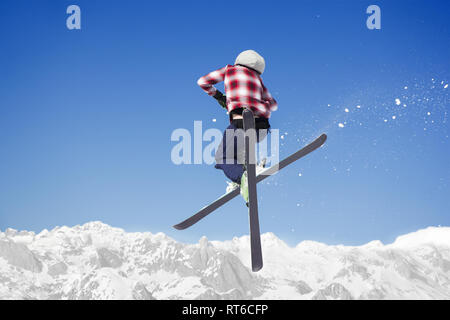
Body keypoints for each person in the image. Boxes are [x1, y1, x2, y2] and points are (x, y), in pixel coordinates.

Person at [197, 50, 278, 203]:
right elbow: (273, 105)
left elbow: (203, 82)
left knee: (222, 157)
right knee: (238, 152)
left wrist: (220, 97)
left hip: (241, 124)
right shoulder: (258, 80)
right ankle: (244, 174)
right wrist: (256, 102)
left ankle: (242, 177)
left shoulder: (230, 70)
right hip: (262, 128)